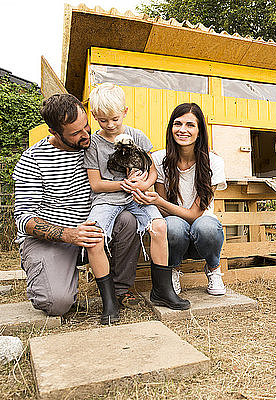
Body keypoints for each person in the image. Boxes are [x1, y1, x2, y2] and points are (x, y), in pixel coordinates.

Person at [12, 93, 141, 318]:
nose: (85, 135)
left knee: (127, 221)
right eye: (75, 133)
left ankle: (119, 291)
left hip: (93, 233)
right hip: (53, 238)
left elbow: (142, 155)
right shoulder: (33, 159)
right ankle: (53, 274)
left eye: (86, 126)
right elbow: (24, 219)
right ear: (54, 132)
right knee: (57, 304)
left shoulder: (96, 146)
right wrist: (70, 235)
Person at [84, 83, 190, 320]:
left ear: (125, 111)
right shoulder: (93, 144)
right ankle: (109, 300)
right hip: (106, 199)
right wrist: (123, 184)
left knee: (160, 226)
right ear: (94, 116)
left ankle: (162, 290)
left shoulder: (137, 136)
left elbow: (153, 172)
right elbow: (96, 184)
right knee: (92, 236)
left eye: (114, 119)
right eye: (102, 120)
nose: (110, 125)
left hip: (138, 197)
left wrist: (143, 184)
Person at [131, 103, 227, 296]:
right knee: (172, 225)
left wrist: (158, 200)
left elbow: (194, 214)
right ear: (171, 128)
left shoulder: (213, 162)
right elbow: (163, 212)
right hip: (175, 233)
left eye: (190, 125)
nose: (183, 130)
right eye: (178, 123)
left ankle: (214, 268)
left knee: (206, 226)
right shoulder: (159, 159)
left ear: (199, 131)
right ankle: (172, 270)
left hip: (202, 230)